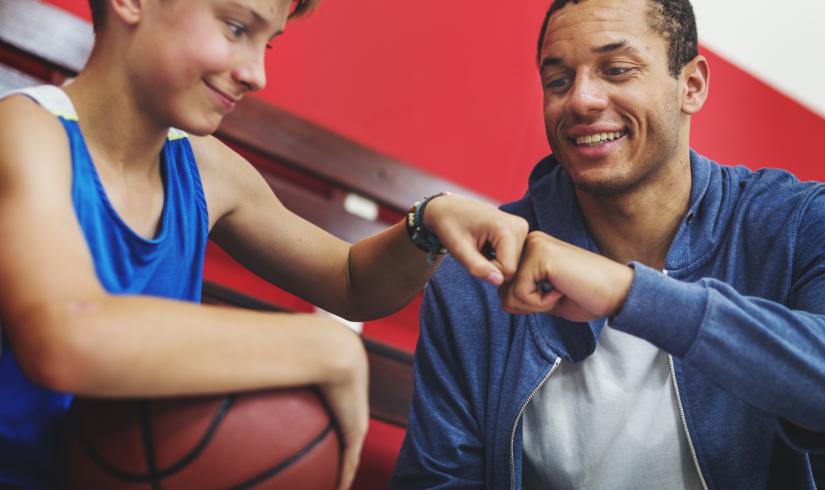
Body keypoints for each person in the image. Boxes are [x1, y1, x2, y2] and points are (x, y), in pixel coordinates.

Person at [0, 0, 530, 488]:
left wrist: (430, 220)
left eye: (267, 43)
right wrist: (325, 347)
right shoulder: (23, 133)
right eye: (235, 28)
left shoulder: (204, 167)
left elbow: (349, 279)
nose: (256, 73)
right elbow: (65, 337)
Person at [390, 0, 825, 487]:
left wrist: (626, 293)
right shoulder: (482, 271)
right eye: (558, 81)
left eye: (617, 70)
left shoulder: (796, 221)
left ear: (692, 85)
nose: (581, 100)